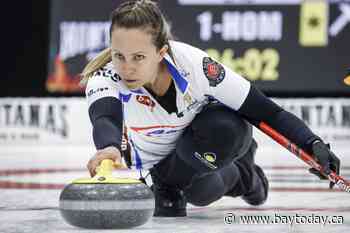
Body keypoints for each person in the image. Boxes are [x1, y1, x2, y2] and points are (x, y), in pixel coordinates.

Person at [82, 0, 340, 217]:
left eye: (138, 57)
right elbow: (106, 117)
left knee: (224, 133)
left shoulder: (196, 66)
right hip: (157, 165)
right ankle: (170, 184)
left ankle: (245, 176)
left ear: (161, 52)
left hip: (196, 147)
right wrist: (109, 148)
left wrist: (312, 143)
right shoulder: (104, 76)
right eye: (119, 55)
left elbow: (268, 112)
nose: (127, 68)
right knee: (200, 194)